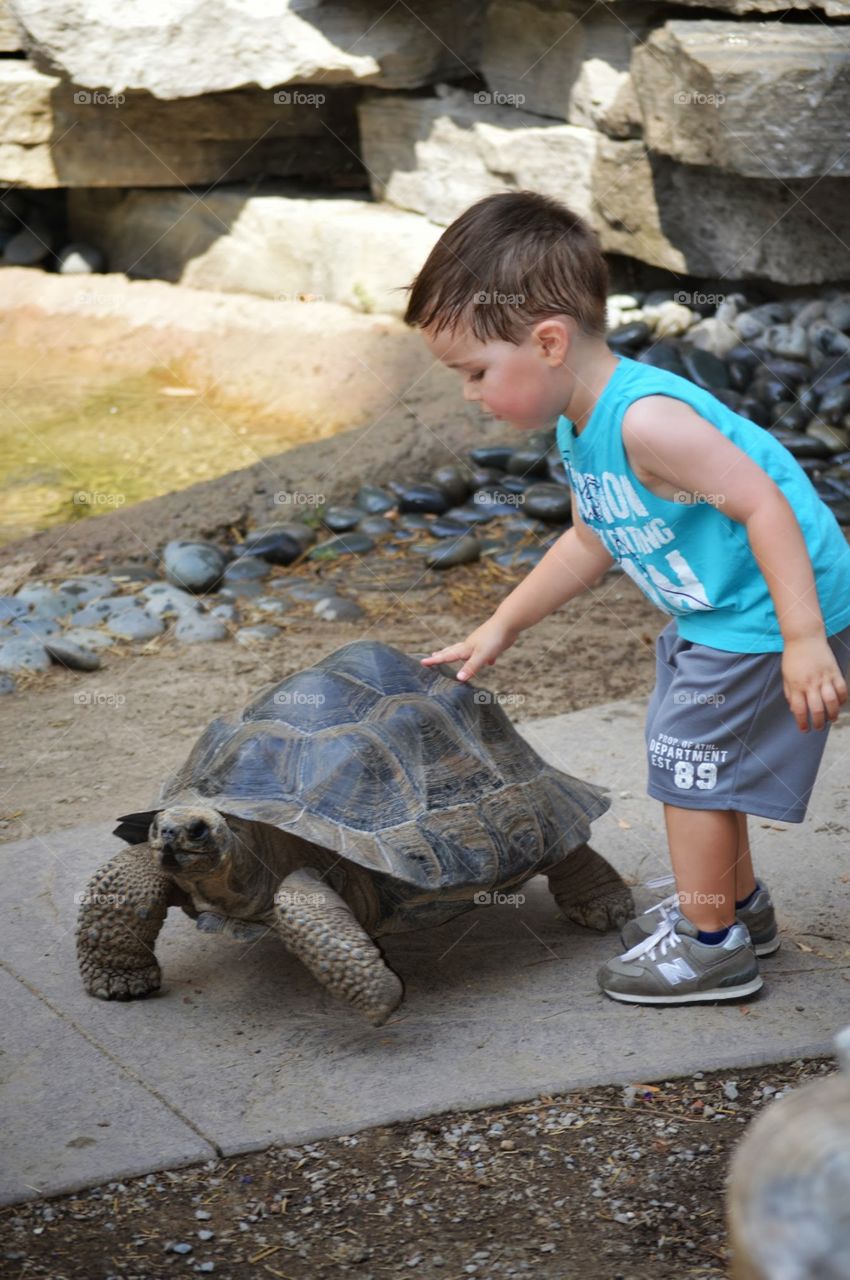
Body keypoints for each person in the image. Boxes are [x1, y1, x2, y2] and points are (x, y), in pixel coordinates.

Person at [403, 189, 850, 1005]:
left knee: (686, 769)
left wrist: (804, 638)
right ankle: (736, 910)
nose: (469, 393)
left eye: (474, 372)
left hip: (767, 615)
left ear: (547, 341)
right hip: (720, 615)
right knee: (701, 767)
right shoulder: (580, 426)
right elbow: (589, 540)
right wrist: (502, 624)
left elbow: (765, 505)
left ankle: (711, 947)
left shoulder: (646, 421)